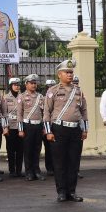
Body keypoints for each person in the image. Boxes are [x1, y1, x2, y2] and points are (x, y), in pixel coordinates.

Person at [43, 60, 88, 202]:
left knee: (74, 162)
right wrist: (49, 132)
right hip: (59, 129)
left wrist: (85, 129)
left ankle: (72, 191)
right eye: (67, 72)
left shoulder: (78, 91)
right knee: (60, 162)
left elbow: (84, 111)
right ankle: (61, 192)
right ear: (59, 75)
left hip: (75, 130)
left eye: (71, 72)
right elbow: (47, 112)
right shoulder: (53, 91)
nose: (70, 75)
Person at [17, 74, 45, 181]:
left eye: (35, 83)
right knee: (28, 149)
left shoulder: (40, 97)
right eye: (31, 83)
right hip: (27, 126)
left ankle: (36, 171)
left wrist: (43, 127)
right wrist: (20, 129)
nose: (33, 85)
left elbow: (44, 113)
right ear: (26, 84)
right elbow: (19, 114)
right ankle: (29, 172)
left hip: (38, 125)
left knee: (37, 149)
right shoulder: (22, 97)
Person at [4, 77, 24, 177]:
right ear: (11, 86)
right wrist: (5, 127)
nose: (17, 87)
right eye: (15, 85)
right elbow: (4, 113)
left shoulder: (23, 96)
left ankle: (19, 170)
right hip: (10, 127)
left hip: (21, 128)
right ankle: (12, 170)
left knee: (20, 150)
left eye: (18, 85)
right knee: (10, 150)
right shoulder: (6, 98)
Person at [42, 79, 56, 176]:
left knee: (57, 149)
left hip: (56, 125)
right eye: (49, 86)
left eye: (52, 86)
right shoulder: (42, 98)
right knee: (48, 148)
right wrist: (44, 128)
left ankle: (56, 167)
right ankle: (49, 168)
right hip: (46, 126)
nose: (50, 88)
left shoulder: (57, 97)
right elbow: (41, 114)